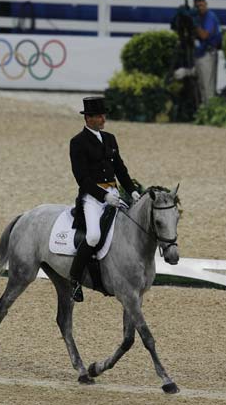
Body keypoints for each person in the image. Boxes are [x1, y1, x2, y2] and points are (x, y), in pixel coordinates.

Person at [69, 96, 140, 302]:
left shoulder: (110, 138)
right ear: (88, 118)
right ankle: (75, 278)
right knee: (93, 236)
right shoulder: (78, 142)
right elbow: (82, 178)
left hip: (115, 194)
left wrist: (132, 191)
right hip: (92, 198)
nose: (103, 119)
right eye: (99, 116)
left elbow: (120, 169)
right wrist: (104, 195)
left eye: (103, 115)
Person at [193, 0, 222, 104]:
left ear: (205, 3)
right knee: (202, 86)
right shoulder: (197, 17)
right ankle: (205, 113)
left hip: (208, 54)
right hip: (199, 54)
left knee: (208, 87)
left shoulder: (210, 16)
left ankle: (210, 112)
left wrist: (195, 25)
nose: (200, 7)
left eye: (202, 4)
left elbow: (204, 35)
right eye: (197, 5)